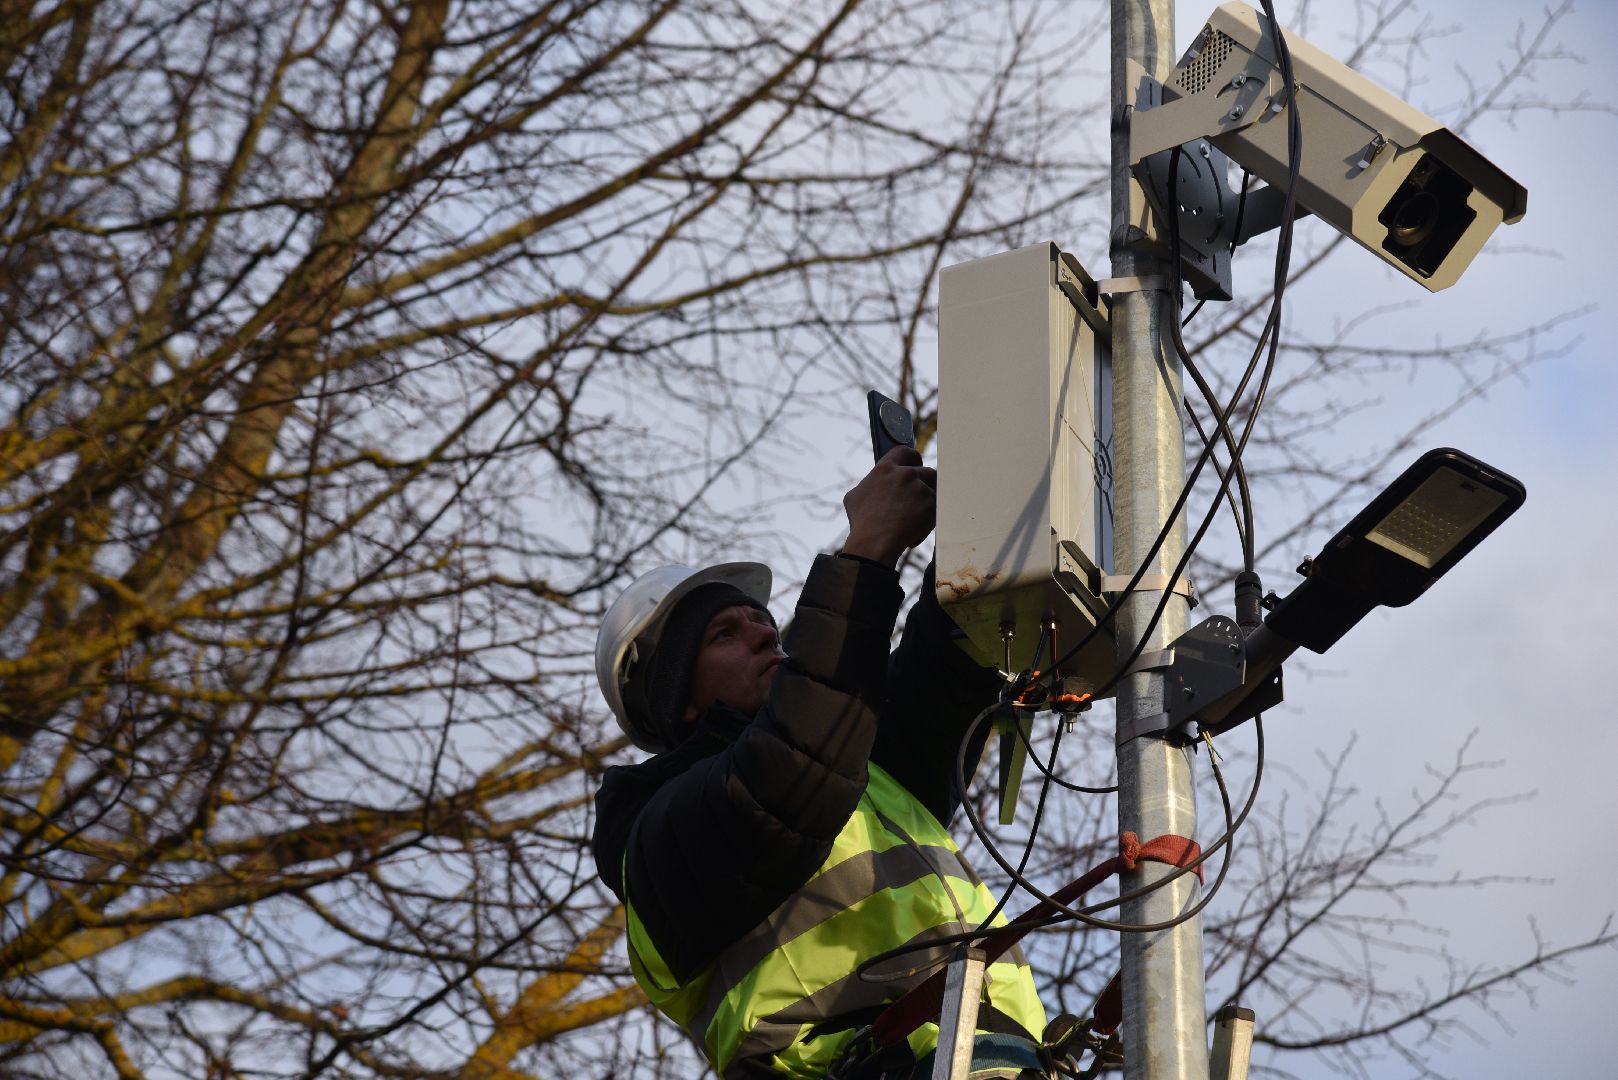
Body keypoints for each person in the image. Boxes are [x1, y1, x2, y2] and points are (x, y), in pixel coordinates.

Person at [591, 447, 1049, 1078]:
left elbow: (943, 664)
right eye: (725, 633)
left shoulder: (868, 774)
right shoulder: (657, 831)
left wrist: (981, 520)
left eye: (763, 622)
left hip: (991, 1060)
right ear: (676, 700)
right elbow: (792, 765)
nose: (764, 634)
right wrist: (866, 554)